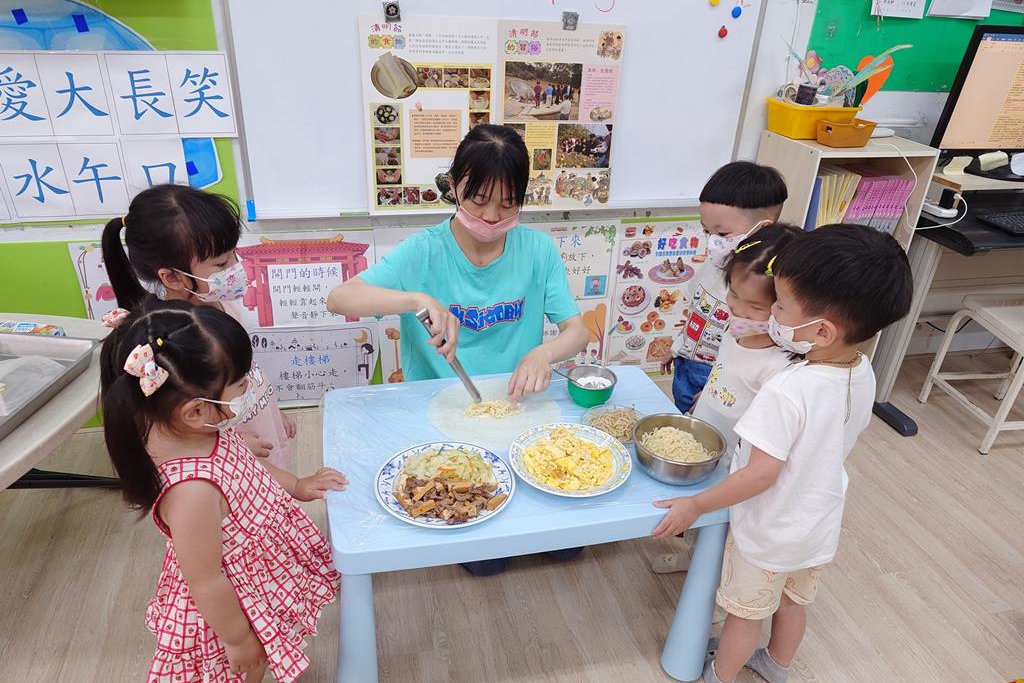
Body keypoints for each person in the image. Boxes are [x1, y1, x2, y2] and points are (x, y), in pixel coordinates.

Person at [650, 225, 913, 683]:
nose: (772, 314)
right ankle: (777, 665)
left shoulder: (787, 389)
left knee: (745, 613)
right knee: (792, 602)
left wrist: (696, 505)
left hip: (770, 526)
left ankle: (721, 679)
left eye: (781, 307)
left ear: (823, 330)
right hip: (817, 521)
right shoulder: (862, 370)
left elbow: (760, 474)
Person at [327, 124, 589, 575]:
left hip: (517, 407)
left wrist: (543, 353)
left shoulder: (537, 250)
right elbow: (340, 298)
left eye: (508, 203)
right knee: (486, 560)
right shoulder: (424, 251)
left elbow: (577, 331)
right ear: (453, 185)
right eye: (478, 199)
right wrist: (416, 299)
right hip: (439, 414)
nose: (491, 217)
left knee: (566, 545)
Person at [99, 300, 348, 683]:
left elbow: (248, 466)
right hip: (229, 604)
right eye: (240, 384)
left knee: (258, 663)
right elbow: (205, 579)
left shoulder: (192, 426)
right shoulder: (191, 490)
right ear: (196, 410)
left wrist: (296, 484)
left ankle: (260, 675)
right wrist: (237, 639)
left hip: (255, 575)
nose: (248, 389)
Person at [100, 185, 294, 469]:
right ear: (173, 277)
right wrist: (234, 448)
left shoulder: (222, 305)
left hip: (256, 424)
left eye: (234, 254)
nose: (236, 266)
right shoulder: (174, 343)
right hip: (228, 459)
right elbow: (181, 425)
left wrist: (272, 412)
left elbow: (245, 372)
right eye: (222, 263)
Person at [652, 224, 801, 576]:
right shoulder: (737, 333)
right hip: (707, 440)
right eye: (733, 294)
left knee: (724, 527)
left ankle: (713, 584)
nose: (738, 310)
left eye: (755, 306)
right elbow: (726, 370)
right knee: (701, 516)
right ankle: (693, 558)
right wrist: (707, 393)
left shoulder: (779, 366)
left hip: (739, 458)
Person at [660, 161, 788, 413]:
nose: (712, 242)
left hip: (717, 377)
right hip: (687, 363)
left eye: (722, 234)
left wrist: (714, 390)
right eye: (706, 231)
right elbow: (695, 313)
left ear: (762, 229)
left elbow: (747, 351)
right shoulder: (712, 264)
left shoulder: (764, 285)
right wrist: (677, 347)